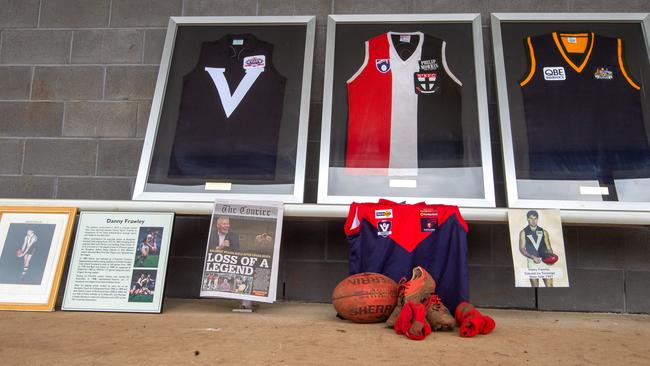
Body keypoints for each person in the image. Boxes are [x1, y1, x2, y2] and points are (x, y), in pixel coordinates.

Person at [518, 210, 554, 287]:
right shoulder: (523, 232)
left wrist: (551, 258)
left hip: (544, 260)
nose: (533, 221)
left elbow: (549, 248)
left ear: (537, 219)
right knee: (535, 287)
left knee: (550, 285)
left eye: (535, 218)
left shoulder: (544, 231)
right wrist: (532, 257)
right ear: (527, 219)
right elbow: (522, 249)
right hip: (532, 261)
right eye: (531, 218)